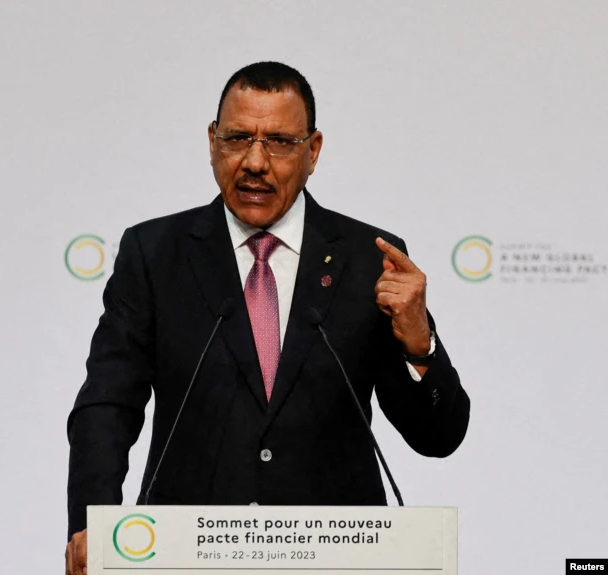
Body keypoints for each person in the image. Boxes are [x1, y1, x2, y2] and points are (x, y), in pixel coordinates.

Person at [63, 61, 470, 575]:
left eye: (279, 142)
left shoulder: (369, 260)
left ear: (313, 151)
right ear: (212, 142)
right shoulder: (156, 253)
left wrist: (419, 344)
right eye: (237, 139)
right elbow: (107, 404)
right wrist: (92, 521)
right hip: (185, 556)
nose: (255, 162)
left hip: (336, 560)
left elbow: (438, 437)